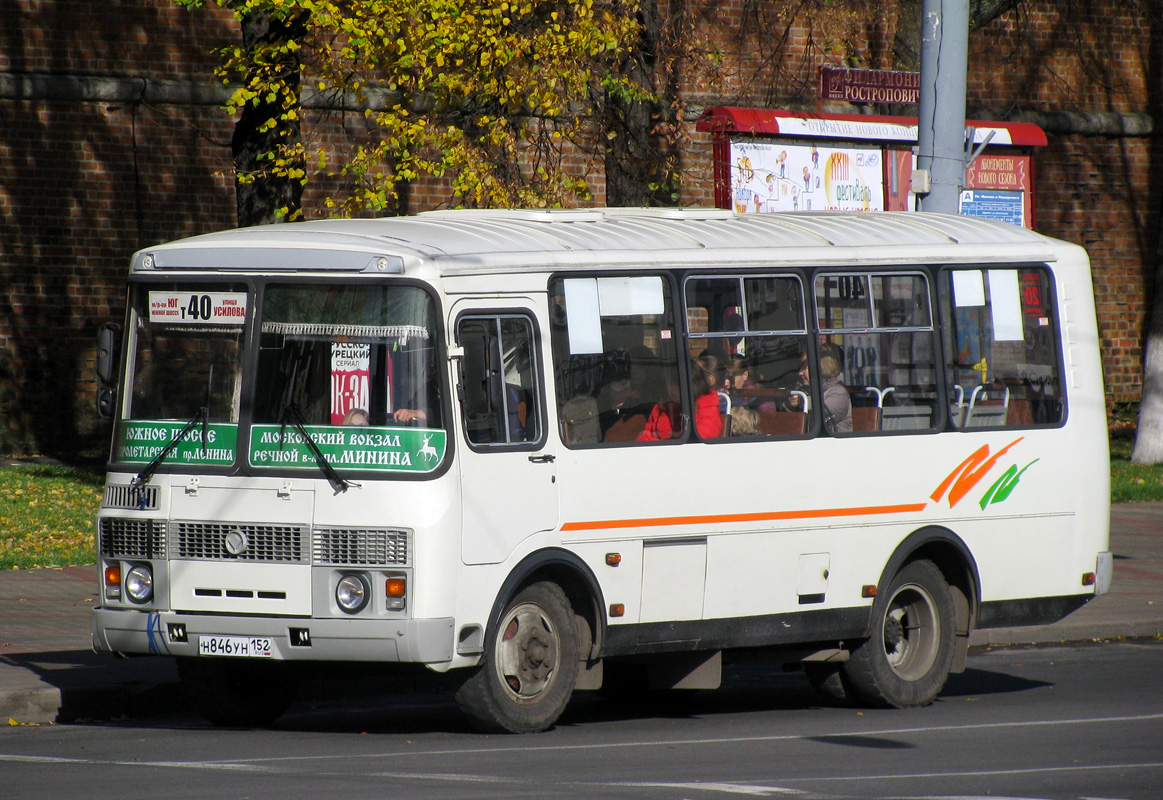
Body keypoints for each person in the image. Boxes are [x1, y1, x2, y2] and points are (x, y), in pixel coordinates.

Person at [638, 359, 722, 441]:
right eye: (670, 383)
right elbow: (644, 438)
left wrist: (656, 443)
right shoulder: (661, 408)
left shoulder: (707, 409)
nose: (671, 388)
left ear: (693, 385)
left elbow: (695, 443)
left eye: (677, 384)